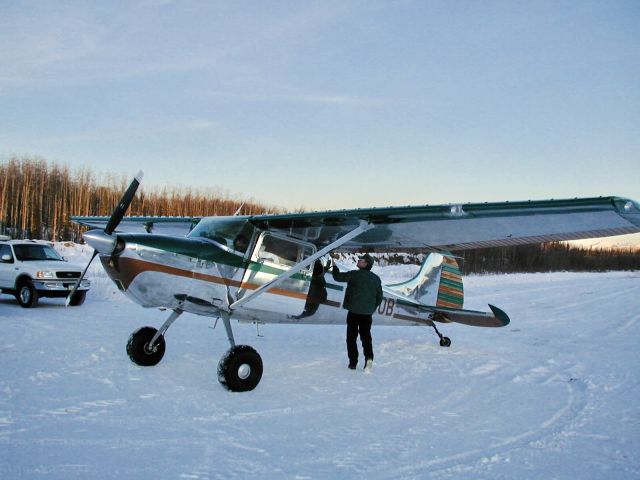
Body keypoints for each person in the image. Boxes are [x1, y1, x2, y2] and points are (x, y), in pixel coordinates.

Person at [331, 254, 383, 371]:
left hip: (354, 312)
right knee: (366, 337)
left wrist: (334, 266)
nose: (358, 261)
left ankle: (353, 362)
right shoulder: (376, 278)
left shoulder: (354, 274)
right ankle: (369, 358)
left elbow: (338, 277)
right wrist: (371, 308)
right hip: (367, 314)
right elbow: (380, 297)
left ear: (366, 264)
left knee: (351, 337)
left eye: (361, 260)